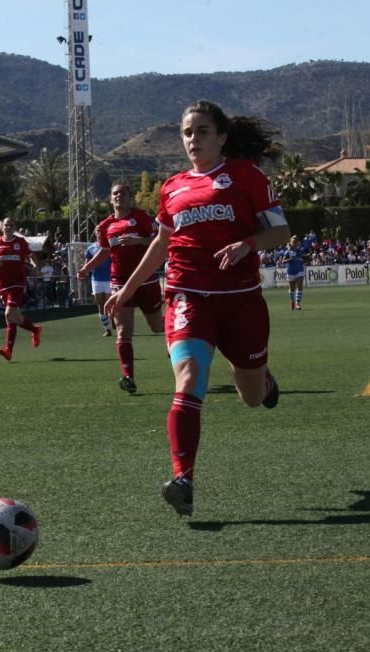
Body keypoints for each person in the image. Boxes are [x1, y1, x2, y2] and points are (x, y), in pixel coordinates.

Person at [105, 100, 290, 517]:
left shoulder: (246, 176)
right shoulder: (172, 188)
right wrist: (128, 288)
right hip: (187, 296)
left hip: (241, 301)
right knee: (188, 378)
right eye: (187, 133)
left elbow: (281, 231)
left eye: (202, 131)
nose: (193, 140)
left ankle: (263, 380)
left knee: (252, 397)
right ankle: (182, 478)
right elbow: (161, 245)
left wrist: (248, 243)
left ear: (221, 137)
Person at [77, 181, 164, 393]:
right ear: (110, 198)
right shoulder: (106, 225)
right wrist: (86, 268)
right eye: (115, 193)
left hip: (146, 281)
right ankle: (128, 377)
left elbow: (159, 241)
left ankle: (173, 331)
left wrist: (138, 240)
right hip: (119, 283)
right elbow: (105, 251)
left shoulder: (142, 217)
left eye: (123, 193)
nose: (119, 197)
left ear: (129, 197)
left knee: (157, 327)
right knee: (123, 332)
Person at [0, 217, 42, 361]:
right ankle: (35, 330)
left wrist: (35, 266)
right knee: (13, 318)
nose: (8, 227)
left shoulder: (20, 242)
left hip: (18, 283)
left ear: (14, 227)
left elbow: (31, 254)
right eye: (6, 225)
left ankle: (8, 350)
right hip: (3, 285)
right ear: (2, 227)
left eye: (11, 225)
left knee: (8, 314)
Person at [84, 243, 115, 336]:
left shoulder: (110, 245)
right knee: (100, 305)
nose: (99, 232)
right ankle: (107, 329)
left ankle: (113, 319)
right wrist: (84, 271)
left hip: (110, 279)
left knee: (110, 304)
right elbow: (87, 263)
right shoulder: (91, 248)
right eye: (97, 230)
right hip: (97, 279)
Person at [279, 235, 306, 309]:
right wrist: (290, 259)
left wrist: (304, 259)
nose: (295, 243)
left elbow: (303, 259)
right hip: (290, 271)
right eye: (294, 241)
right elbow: (282, 262)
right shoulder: (287, 252)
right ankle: (292, 300)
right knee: (292, 289)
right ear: (291, 242)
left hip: (299, 270)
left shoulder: (300, 251)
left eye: (296, 241)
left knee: (300, 287)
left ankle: (298, 303)